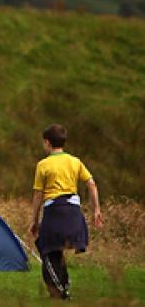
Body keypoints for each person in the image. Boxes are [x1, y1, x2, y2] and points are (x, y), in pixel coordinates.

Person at [30, 124, 103, 299]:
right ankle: (63, 287)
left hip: (55, 211)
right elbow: (91, 184)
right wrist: (96, 210)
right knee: (56, 250)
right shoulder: (75, 161)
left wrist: (34, 220)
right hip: (73, 212)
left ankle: (59, 291)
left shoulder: (43, 165)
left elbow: (38, 195)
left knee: (47, 249)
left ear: (47, 142)